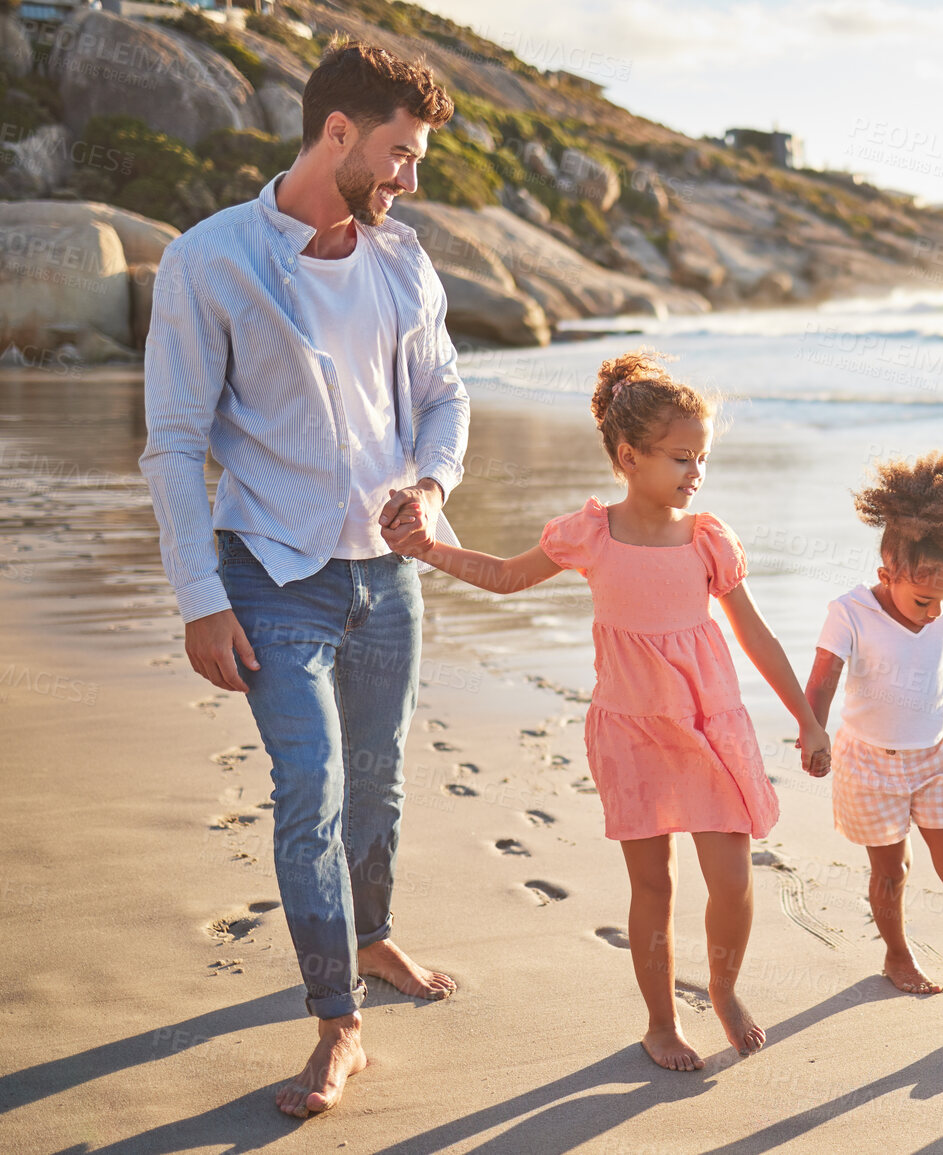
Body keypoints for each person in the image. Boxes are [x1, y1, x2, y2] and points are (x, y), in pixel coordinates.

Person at [139, 43, 468, 1115]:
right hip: (273, 573)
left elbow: (443, 400)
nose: (411, 179)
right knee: (311, 787)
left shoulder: (404, 262)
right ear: (338, 135)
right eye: (401, 155)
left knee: (377, 781)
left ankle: (368, 937)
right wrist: (200, 597)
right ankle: (337, 1020)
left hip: (389, 574)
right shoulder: (210, 259)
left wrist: (428, 483)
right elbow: (175, 441)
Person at [384, 349, 832, 1071]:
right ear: (629, 455)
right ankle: (660, 1021)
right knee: (652, 883)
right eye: (681, 458)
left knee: (734, 877)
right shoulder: (590, 532)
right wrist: (427, 547)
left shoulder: (708, 539)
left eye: (703, 459)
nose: (695, 474)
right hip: (632, 733)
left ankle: (723, 987)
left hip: (710, 727)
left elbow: (756, 634)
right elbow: (504, 577)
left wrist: (808, 718)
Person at [803, 450, 943, 1041]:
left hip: (937, 756)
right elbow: (822, 678)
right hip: (868, 761)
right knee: (891, 870)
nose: (933, 613)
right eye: (923, 600)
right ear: (889, 568)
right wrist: (813, 728)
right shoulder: (849, 613)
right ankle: (896, 954)